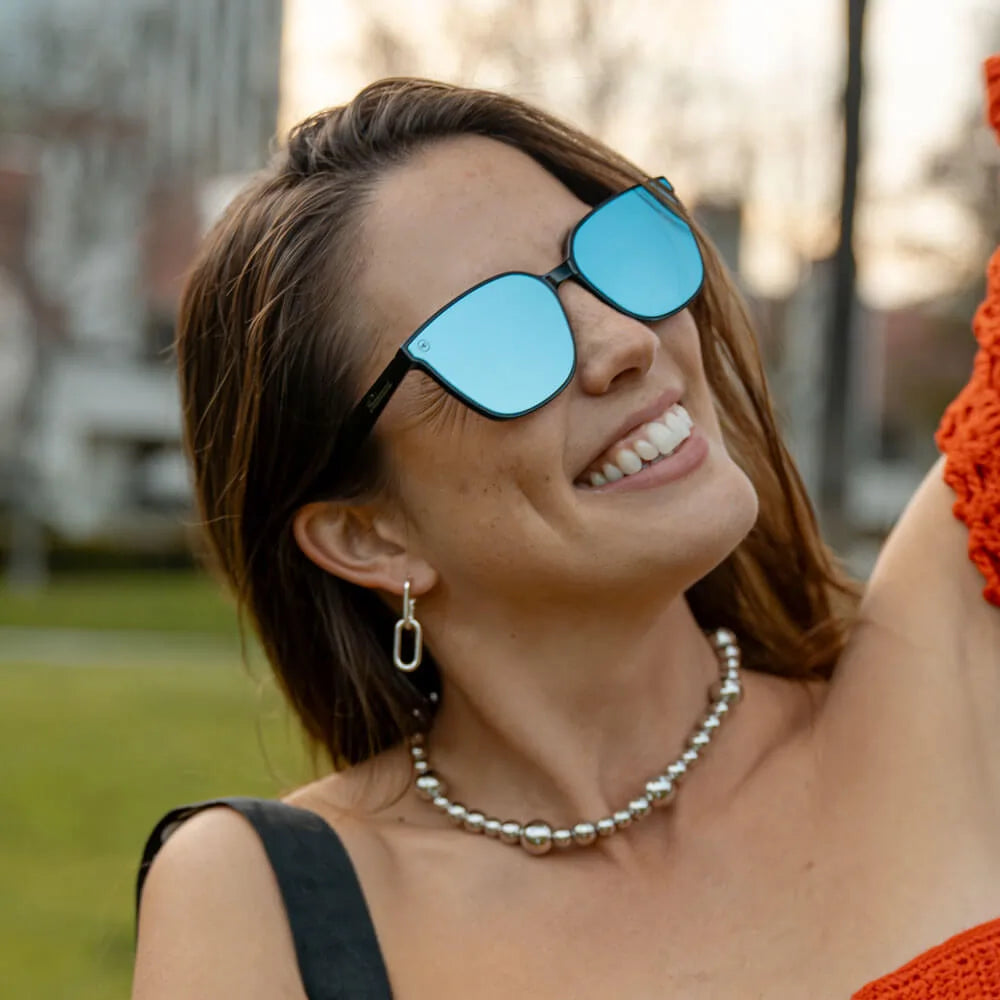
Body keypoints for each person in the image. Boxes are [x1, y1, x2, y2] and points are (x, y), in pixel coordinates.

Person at [131, 63, 1000, 1000]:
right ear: (367, 536)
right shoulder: (267, 899)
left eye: (611, 252)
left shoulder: (941, 671)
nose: (627, 339)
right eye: (499, 335)